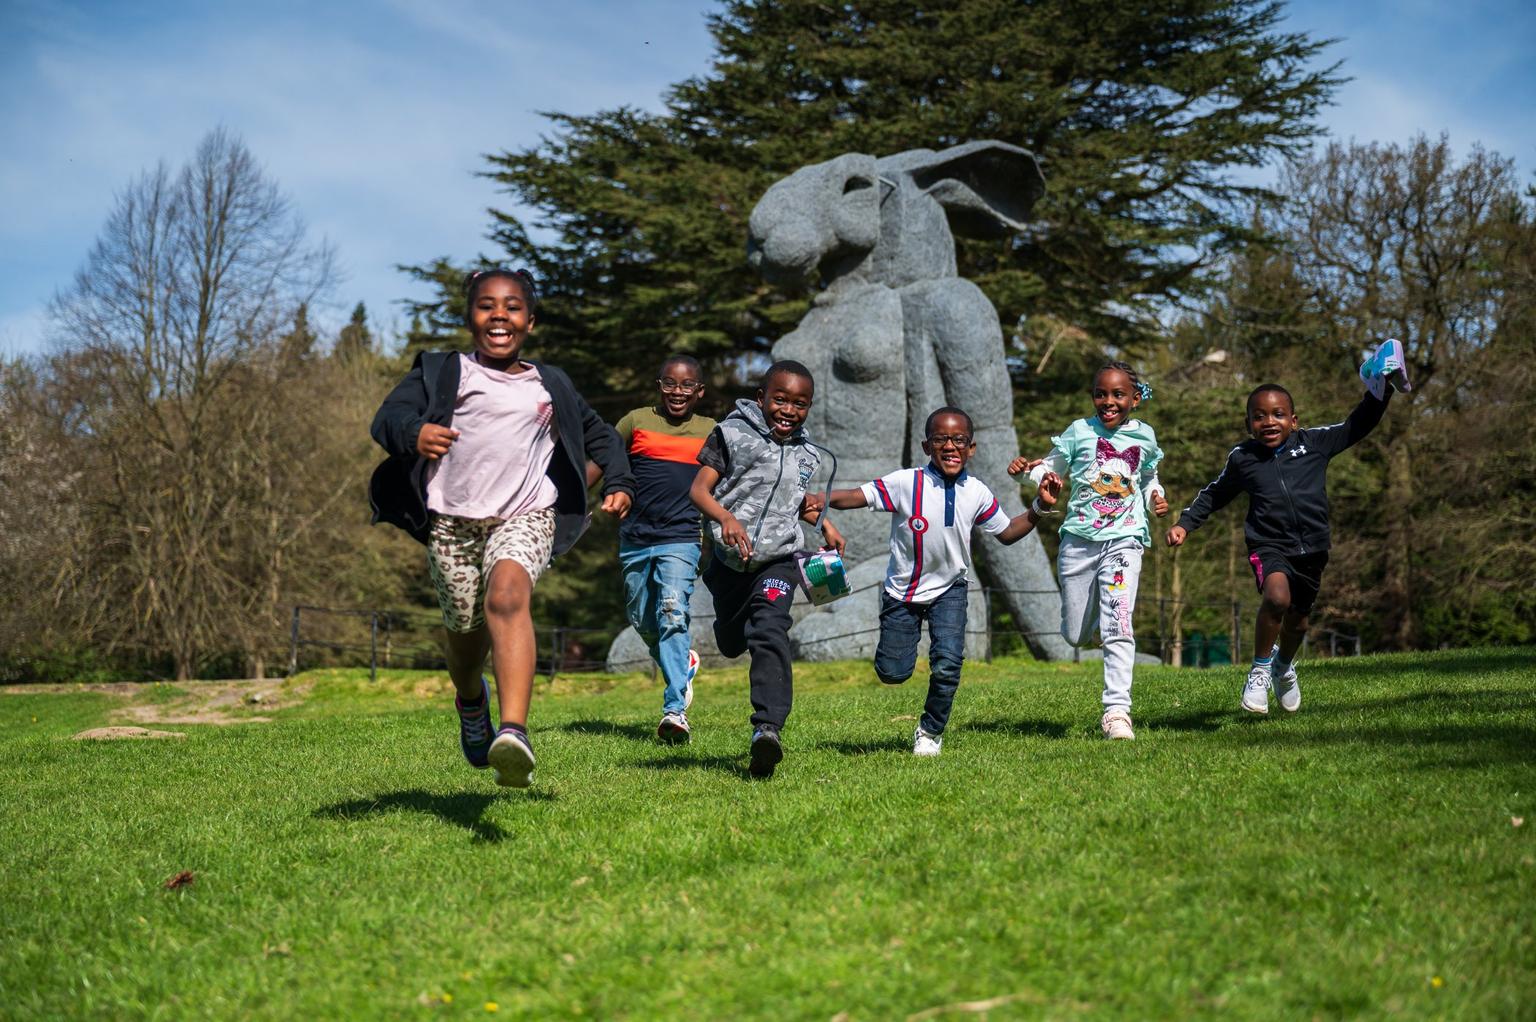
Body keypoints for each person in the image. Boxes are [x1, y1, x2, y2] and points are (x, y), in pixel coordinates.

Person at [369, 269, 634, 788]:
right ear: (470, 316)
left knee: (508, 599)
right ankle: (473, 704)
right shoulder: (442, 370)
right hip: (452, 527)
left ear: (529, 322)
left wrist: (618, 480)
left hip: (526, 514)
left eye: (512, 307)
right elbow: (388, 417)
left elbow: (600, 435)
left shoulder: (549, 383)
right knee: (466, 645)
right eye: (487, 305)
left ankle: (513, 734)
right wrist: (414, 431)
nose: (499, 315)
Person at [1166, 342, 1405, 714]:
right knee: (1276, 598)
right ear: (1249, 424)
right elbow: (1215, 494)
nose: (1269, 422)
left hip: (1313, 548)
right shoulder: (1243, 458)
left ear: (1294, 420)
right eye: (1259, 417)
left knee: (1298, 622)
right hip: (1268, 545)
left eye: (1278, 415)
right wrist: (1185, 524)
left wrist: (1384, 388)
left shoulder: (1314, 444)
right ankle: (1260, 671)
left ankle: (1282, 666)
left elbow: (1358, 424)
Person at [819, 406, 1062, 756]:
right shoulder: (907, 483)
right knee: (892, 672)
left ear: (972, 448)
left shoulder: (976, 491)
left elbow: (1007, 533)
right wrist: (819, 500)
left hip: (950, 589)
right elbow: (858, 495)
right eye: (941, 439)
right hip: (901, 593)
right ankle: (896, 662)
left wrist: (1039, 507)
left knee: (948, 662)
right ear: (926, 446)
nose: (950, 446)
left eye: (959, 440)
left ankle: (930, 731)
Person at [689, 359, 845, 779]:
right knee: (732, 640)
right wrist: (724, 518)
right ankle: (731, 630)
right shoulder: (730, 434)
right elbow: (699, 490)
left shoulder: (809, 454)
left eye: (800, 403)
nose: (789, 410)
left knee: (770, 628)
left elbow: (793, 500)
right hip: (729, 559)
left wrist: (824, 522)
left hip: (779, 558)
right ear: (761, 398)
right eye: (780, 399)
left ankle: (767, 730)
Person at [1019, 361, 1167, 741]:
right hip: (1078, 543)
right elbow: (1047, 469)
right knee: (1074, 634)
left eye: (1118, 394)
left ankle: (1117, 713)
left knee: (1119, 625)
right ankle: (1099, 620)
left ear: (1134, 399)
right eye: (1101, 394)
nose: (1109, 401)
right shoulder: (1079, 432)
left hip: (1125, 540)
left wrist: (1156, 498)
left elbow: (1148, 475)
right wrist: (1034, 474)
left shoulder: (1145, 437)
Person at [613, 355, 717, 744]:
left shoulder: (711, 431)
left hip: (683, 535)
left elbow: (732, 477)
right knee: (642, 617)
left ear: (699, 391)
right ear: (659, 385)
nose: (678, 392)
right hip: (635, 537)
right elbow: (605, 459)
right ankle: (682, 662)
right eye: (670, 384)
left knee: (672, 612)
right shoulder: (635, 421)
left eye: (687, 385)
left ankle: (675, 710)